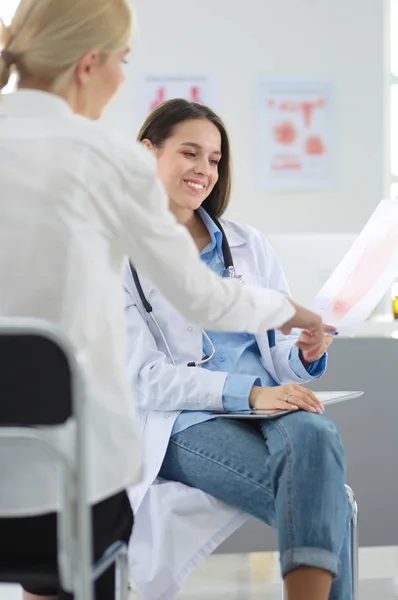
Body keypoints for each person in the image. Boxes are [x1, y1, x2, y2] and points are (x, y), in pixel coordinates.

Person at [0, 2, 332, 600]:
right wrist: (290, 310)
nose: (122, 78)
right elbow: (204, 300)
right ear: (89, 63)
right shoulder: (105, 162)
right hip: (75, 478)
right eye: (123, 61)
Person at [124, 99, 351, 600]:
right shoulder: (117, 251)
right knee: (329, 500)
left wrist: (306, 353)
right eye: (190, 153)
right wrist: (248, 395)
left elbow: (277, 349)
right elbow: (143, 377)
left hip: (269, 407)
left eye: (214, 159)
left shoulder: (247, 244)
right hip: (180, 420)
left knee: (315, 428)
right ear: (148, 153)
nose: (204, 169)